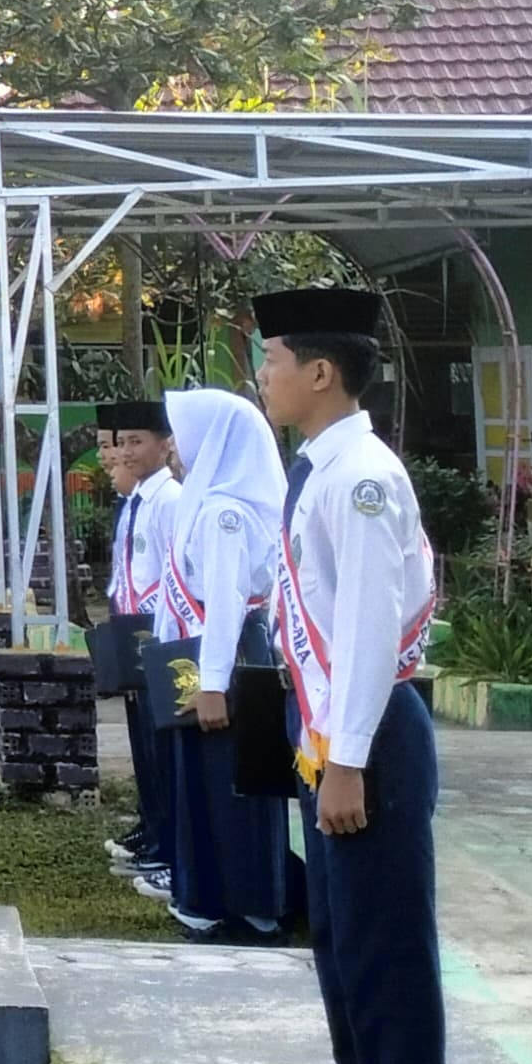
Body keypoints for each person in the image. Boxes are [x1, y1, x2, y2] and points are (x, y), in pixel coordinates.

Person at [256, 283, 449, 1064]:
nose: (263, 377)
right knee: (343, 949)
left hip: (369, 739)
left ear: (321, 372)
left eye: (272, 361)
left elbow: (371, 627)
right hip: (336, 734)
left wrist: (349, 761)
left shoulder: (362, 477)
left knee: (387, 952)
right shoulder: (322, 469)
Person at [167, 384, 303, 946]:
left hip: (225, 658)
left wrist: (213, 684)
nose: (174, 446)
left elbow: (225, 604)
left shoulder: (224, 513)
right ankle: (214, 901)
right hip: (219, 654)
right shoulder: (215, 503)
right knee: (210, 784)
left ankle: (251, 910)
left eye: (183, 434)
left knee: (235, 787)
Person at [88, 399, 180, 892]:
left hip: (157, 638)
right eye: (119, 443)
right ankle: (155, 832)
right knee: (145, 750)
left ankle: (168, 845)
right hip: (135, 637)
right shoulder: (140, 500)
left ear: (165, 446)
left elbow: (173, 577)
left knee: (163, 754)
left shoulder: (168, 501)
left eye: (135, 442)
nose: (123, 453)